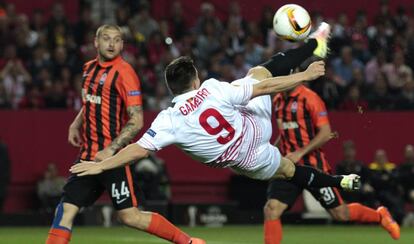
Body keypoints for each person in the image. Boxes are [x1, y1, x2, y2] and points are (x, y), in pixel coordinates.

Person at [72, 23, 361, 218]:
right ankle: (313, 45)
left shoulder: (168, 119)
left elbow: (135, 151)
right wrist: (305, 75)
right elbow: (265, 88)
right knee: (259, 73)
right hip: (256, 129)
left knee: (289, 170)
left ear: (172, 89)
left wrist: (101, 164)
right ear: (196, 79)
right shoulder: (212, 89)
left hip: (247, 162)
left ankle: (340, 181)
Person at [45, 24, 204, 244]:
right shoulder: (88, 69)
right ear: (96, 42)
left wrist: (110, 149)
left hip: (114, 161)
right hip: (88, 157)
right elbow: (91, 100)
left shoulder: (125, 73)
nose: (111, 44)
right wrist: (76, 122)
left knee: (130, 216)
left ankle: (188, 242)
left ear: (122, 44)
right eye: (107, 39)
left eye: (117, 40)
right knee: (65, 211)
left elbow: (137, 120)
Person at [263, 70, 400, 243]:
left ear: (296, 75)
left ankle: (380, 216)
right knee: (271, 209)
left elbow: (326, 133)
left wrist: (300, 152)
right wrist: (270, 153)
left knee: (341, 214)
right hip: (288, 167)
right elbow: (285, 134)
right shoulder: (277, 100)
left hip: (313, 166)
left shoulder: (310, 98)